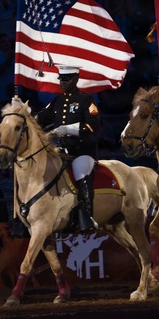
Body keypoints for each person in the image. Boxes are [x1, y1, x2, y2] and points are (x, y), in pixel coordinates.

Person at [33, 65, 100, 236]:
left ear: (76, 79)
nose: (63, 82)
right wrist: (23, 112)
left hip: (82, 150)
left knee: (81, 174)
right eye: (61, 79)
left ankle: (87, 217)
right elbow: (39, 119)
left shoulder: (86, 100)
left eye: (67, 79)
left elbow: (93, 126)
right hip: (61, 150)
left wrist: (68, 129)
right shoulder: (57, 101)